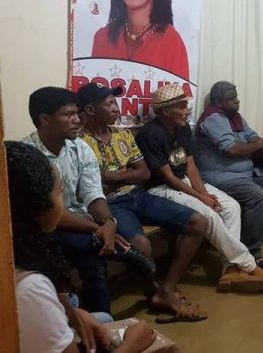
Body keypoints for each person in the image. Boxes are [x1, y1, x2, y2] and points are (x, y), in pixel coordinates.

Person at [7, 140, 156, 353]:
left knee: (102, 318)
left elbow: (93, 194)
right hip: (69, 239)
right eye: (59, 191)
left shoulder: (19, 252)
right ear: (39, 205)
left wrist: (73, 314)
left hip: (87, 226)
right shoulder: (31, 289)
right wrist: (132, 345)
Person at [135, 83, 263, 288]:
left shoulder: (183, 128)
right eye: (182, 107)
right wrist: (201, 198)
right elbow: (167, 176)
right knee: (209, 214)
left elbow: (190, 165)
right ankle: (248, 265)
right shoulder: (150, 134)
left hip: (184, 181)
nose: (188, 111)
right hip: (161, 189)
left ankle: (230, 269)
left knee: (230, 207)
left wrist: (204, 194)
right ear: (166, 111)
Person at [23, 86, 152, 315]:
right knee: (93, 249)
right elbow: (49, 211)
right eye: (68, 114)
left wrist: (108, 223)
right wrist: (97, 228)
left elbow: (93, 193)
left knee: (97, 252)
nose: (77, 120)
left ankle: (103, 322)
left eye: (77, 113)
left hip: (79, 221)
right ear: (45, 119)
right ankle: (100, 320)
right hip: (43, 227)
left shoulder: (79, 147)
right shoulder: (28, 155)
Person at [195, 81, 263, 271]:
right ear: (219, 102)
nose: (237, 101)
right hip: (219, 176)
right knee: (256, 195)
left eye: (236, 97)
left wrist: (262, 144)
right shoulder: (212, 119)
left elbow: (252, 135)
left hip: (244, 173)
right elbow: (232, 150)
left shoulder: (234, 116)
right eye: (232, 98)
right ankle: (251, 253)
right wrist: (261, 143)